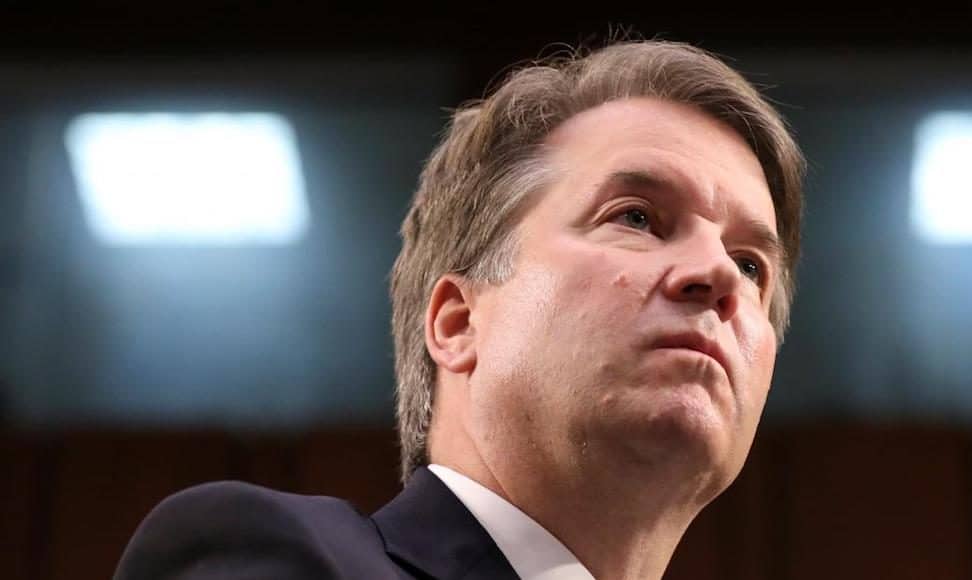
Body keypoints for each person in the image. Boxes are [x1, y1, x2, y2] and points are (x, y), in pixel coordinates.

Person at [115, 37, 805, 580]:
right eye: (637, 218)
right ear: (458, 320)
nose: (719, 273)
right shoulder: (275, 558)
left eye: (751, 265)